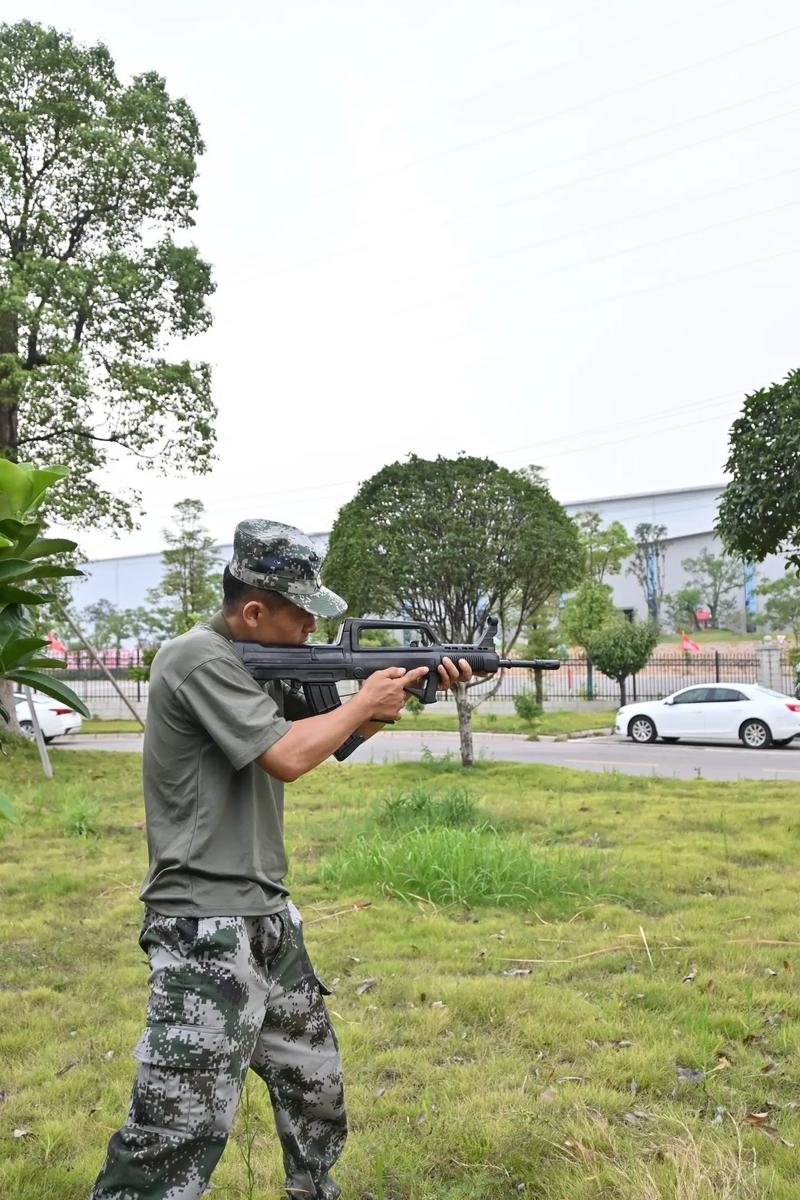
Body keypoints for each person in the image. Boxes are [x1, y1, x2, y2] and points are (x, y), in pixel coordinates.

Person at [91, 518, 473, 1200]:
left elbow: (333, 739)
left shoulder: (263, 657)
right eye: (300, 619)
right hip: (203, 925)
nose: (310, 634)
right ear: (254, 611)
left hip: (268, 917)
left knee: (314, 1084)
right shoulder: (196, 658)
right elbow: (289, 756)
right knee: (174, 1134)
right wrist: (362, 701)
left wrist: (412, 687)